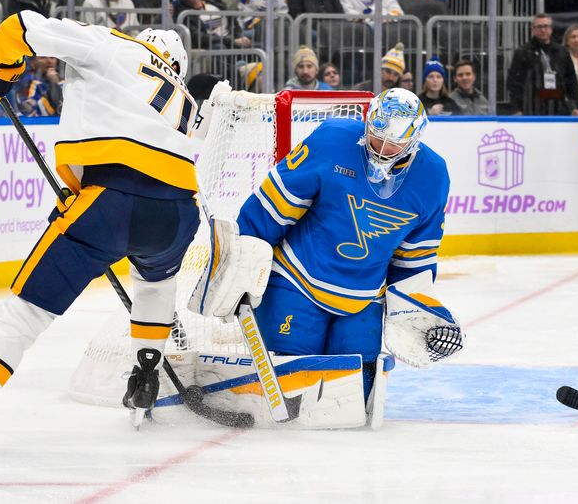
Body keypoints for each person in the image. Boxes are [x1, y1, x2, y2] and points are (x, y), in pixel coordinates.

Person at [0, 15, 200, 452]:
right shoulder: (185, 96)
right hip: (178, 216)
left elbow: (19, 27)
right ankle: (145, 375)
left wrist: (0, 77)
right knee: (155, 286)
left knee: (28, 310)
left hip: (110, 204)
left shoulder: (114, 45)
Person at [193, 88, 460, 407]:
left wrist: (415, 309)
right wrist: (241, 261)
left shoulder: (432, 176)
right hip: (296, 280)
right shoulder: (332, 140)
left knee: (351, 400)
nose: (381, 148)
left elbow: (414, 257)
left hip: (364, 297)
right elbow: (273, 206)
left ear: (414, 140)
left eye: (394, 143)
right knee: (290, 389)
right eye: (376, 137)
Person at [507, 13, 578, 116]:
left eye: (546, 26)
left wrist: (575, 106)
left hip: (558, 108)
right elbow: (514, 83)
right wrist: (516, 109)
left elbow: (571, 81)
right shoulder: (523, 52)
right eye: (539, 27)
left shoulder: (562, 52)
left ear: (551, 28)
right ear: (532, 29)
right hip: (531, 109)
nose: (543, 30)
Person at [173, 0, 251, 50]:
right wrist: (231, 41)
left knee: (254, 45)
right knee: (220, 48)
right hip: (212, 46)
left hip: (231, 40)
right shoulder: (184, 15)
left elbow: (234, 23)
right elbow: (200, 38)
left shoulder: (215, 3)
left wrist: (240, 37)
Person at [562, 24, 578, 115]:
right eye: (573, 37)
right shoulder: (562, 58)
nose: (576, 40)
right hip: (570, 103)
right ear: (567, 40)